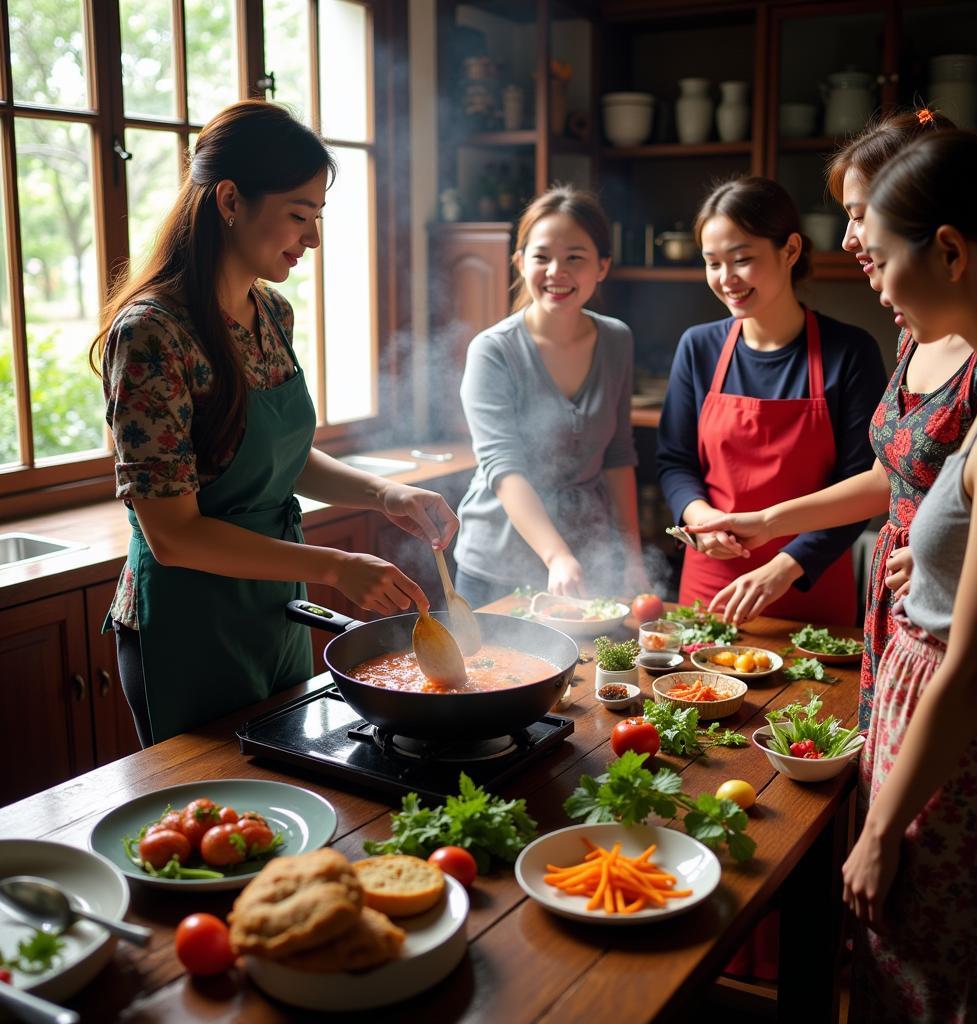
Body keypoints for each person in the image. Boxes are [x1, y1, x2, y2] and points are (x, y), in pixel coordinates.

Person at [92, 101, 458, 746]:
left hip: (272, 606)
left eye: (317, 217)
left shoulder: (270, 312)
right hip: (188, 619)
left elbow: (279, 454)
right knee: (211, 821)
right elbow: (174, 536)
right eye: (299, 214)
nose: (312, 239)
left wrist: (385, 493)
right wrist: (337, 567)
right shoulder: (152, 334)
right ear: (230, 199)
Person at [686, 110, 977, 730]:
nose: (850, 239)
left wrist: (944, 557)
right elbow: (887, 478)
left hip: (953, 621)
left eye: (858, 214)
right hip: (892, 610)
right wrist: (765, 522)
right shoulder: (915, 332)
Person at [840, 130, 977, 1023]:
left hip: (969, 754)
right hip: (930, 726)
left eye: (878, 259)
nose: (871, 280)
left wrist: (878, 833)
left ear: (949, 250)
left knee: (937, 985)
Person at [657, 176, 886, 626]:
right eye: (712, 263)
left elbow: (863, 485)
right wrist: (703, 518)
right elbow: (674, 461)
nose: (727, 280)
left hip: (809, 583)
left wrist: (786, 565)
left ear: (791, 251)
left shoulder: (849, 352)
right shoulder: (698, 347)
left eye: (742, 260)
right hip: (712, 587)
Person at [454, 185, 645, 606]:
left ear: (602, 266)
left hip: (588, 558)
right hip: (498, 564)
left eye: (575, 257)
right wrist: (556, 555)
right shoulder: (494, 350)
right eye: (542, 257)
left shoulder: (616, 340)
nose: (557, 271)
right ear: (520, 263)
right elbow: (503, 467)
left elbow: (618, 455)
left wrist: (631, 557)